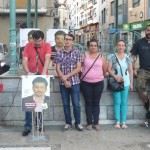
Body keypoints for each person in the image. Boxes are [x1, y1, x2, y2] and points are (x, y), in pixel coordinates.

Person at [22, 30, 51, 136]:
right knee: (28, 103)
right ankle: (28, 126)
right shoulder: (28, 46)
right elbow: (24, 60)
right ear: (32, 39)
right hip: (30, 75)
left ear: (43, 39)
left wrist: (43, 73)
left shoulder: (47, 45)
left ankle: (39, 125)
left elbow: (47, 58)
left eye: (39, 41)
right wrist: (27, 72)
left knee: (41, 103)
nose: (37, 43)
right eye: (35, 41)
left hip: (42, 77)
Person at [54, 33, 84, 131]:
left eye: (69, 39)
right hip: (63, 83)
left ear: (73, 41)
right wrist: (65, 80)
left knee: (76, 104)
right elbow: (57, 69)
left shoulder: (77, 53)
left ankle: (78, 123)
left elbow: (79, 68)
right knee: (65, 104)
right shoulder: (59, 53)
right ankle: (68, 123)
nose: (67, 41)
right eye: (66, 39)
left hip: (75, 82)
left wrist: (66, 77)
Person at [80, 39, 107, 131]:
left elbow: (104, 69)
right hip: (86, 83)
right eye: (91, 45)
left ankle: (96, 122)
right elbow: (80, 67)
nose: (93, 47)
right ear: (88, 46)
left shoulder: (101, 56)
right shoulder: (84, 55)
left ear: (97, 46)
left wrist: (98, 76)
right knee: (88, 103)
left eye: (95, 45)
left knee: (96, 103)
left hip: (98, 83)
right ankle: (89, 123)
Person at [108, 40, 133, 129]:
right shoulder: (112, 57)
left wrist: (131, 84)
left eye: (122, 45)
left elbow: (130, 70)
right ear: (116, 46)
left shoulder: (128, 57)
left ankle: (124, 122)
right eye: (119, 45)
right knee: (117, 102)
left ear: (125, 47)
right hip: (116, 83)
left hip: (126, 82)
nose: (121, 47)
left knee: (124, 102)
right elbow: (109, 69)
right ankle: (117, 121)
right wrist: (115, 77)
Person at [130, 25, 150, 112]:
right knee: (139, 86)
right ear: (145, 31)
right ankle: (147, 102)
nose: (149, 32)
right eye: (148, 30)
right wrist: (133, 68)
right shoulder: (139, 43)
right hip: (143, 70)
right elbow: (133, 56)